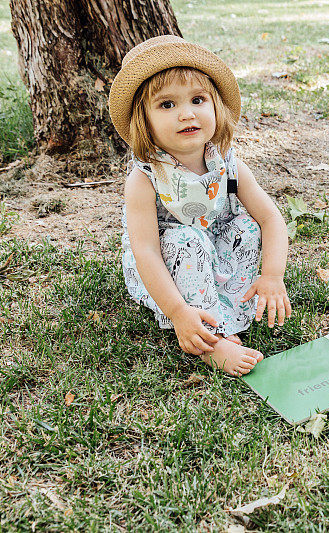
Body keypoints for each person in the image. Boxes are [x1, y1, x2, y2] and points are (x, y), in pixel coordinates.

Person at [109, 36, 291, 377]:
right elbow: (146, 250)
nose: (187, 113)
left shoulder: (228, 165)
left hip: (217, 252)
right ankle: (208, 338)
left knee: (246, 225)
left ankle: (230, 306)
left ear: (215, 107)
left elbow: (270, 218)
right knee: (186, 240)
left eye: (197, 99)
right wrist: (177, 311)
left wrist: (272, 275)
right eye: (167, 105)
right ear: (143, 121)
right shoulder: (145, 178)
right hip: (169, 267)